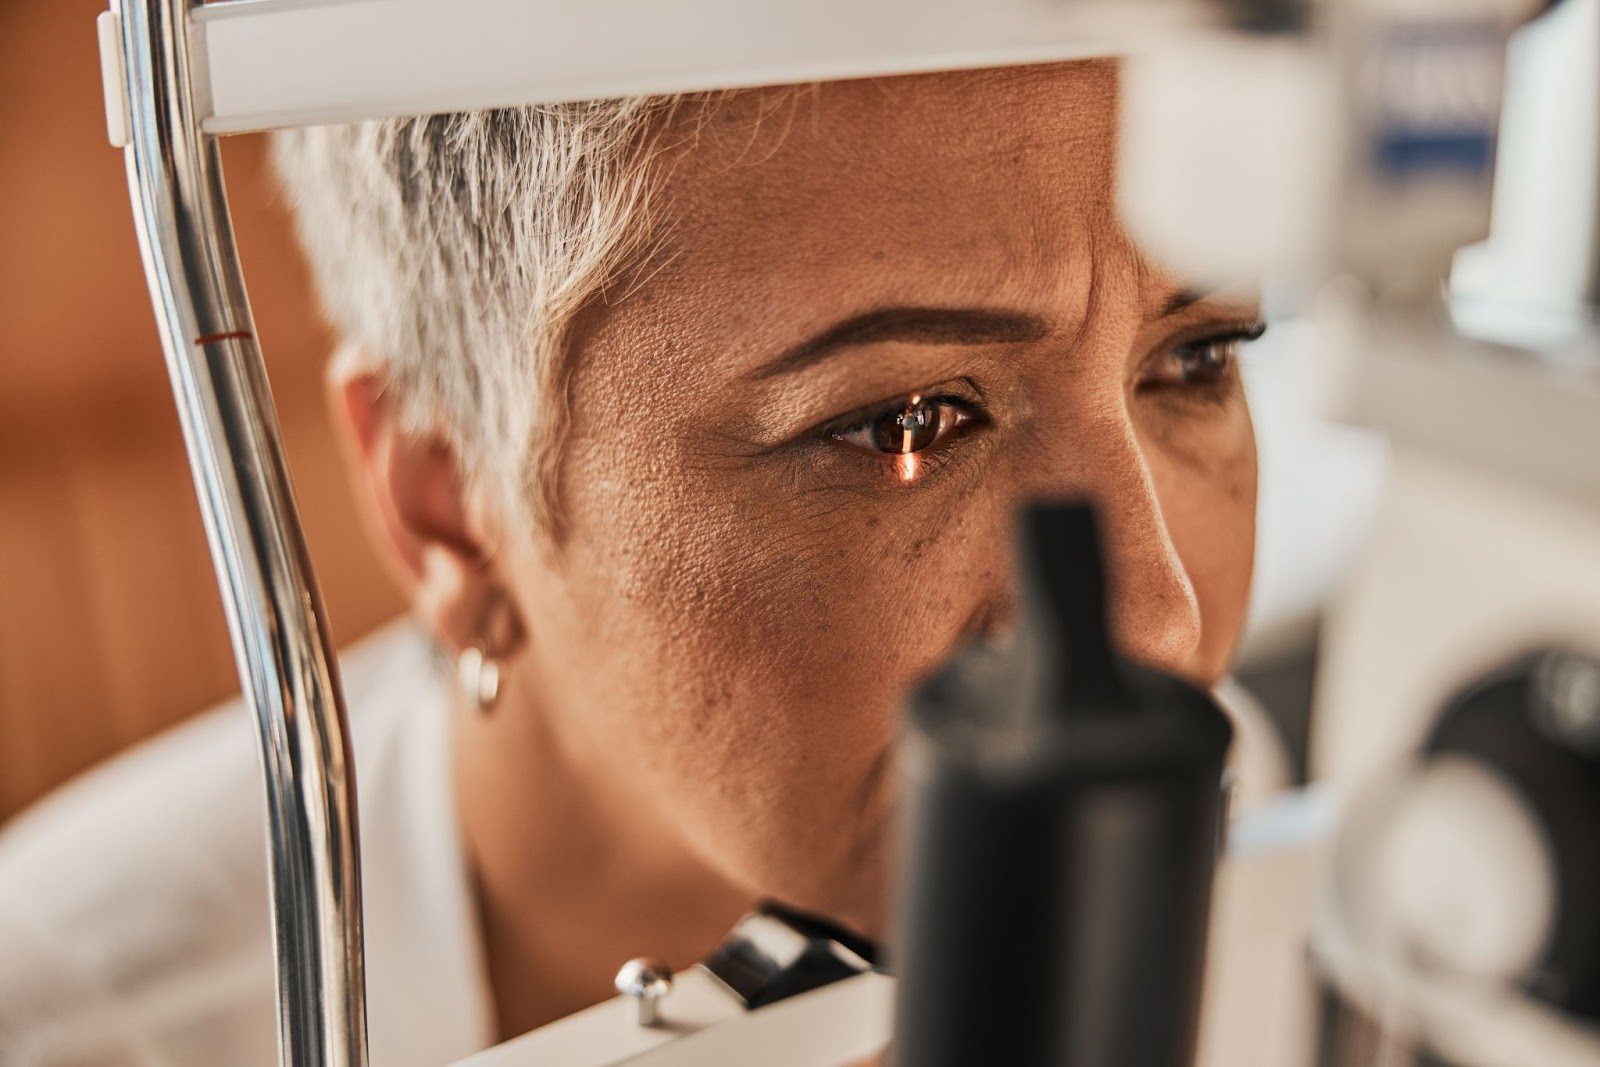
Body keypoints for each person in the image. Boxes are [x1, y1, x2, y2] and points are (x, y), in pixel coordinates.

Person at [0, 60, 1270, 1065]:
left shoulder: (1226, 821)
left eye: (1196, 359)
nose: (1158, 625)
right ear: (451, 508)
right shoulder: (77, 1027)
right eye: (907, 423)